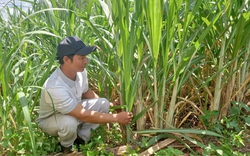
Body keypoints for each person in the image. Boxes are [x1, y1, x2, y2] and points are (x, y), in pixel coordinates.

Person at [36, 36, 133, 153]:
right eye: (81, 58)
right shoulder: (55, 86)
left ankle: (81, 140)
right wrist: (116, 118)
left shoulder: (80, 72)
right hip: (52, 119)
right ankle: (67, 147)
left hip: (74, 109)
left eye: (85, 57)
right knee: (69, 122)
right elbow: (83, 115)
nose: (86, 61)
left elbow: (86, 92)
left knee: (103, 103)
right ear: (66, 59)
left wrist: (110, 105)